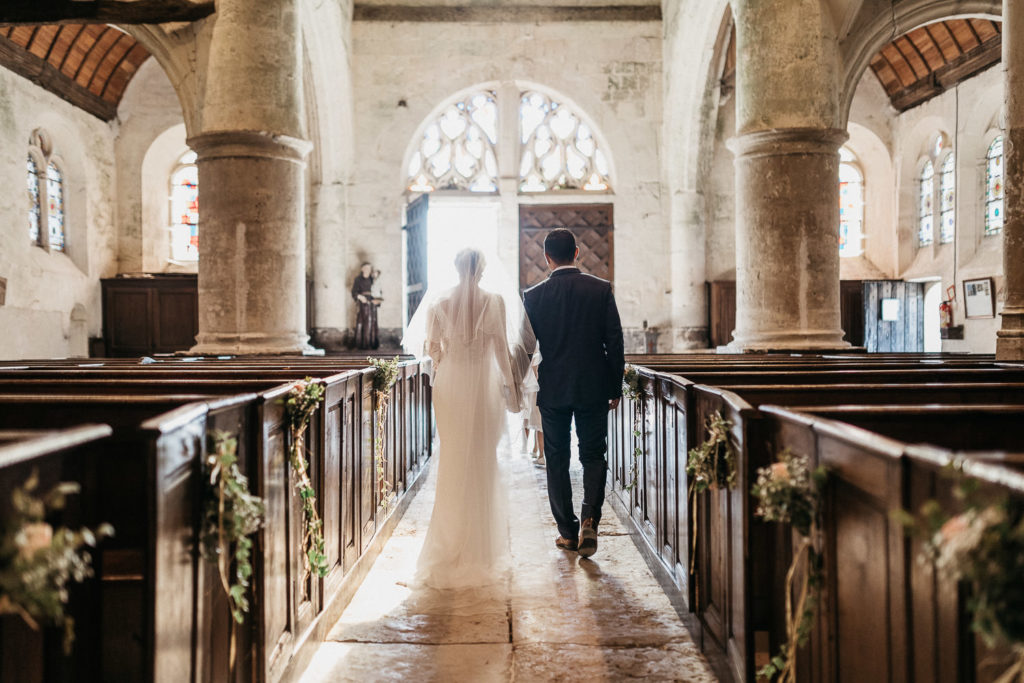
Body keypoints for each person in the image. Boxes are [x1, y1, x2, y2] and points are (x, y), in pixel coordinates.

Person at [402, 248, 535, 588]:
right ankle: (481, 549)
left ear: (456, 267)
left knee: (453, 459)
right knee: (481, 459)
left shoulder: (438, 304)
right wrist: (511, 387)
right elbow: (502, 351)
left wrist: (449, 357)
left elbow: (432, 350)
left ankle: (447, 544)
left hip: (451, 384)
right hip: (482, 384)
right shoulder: (494, 301)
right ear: (482, 270)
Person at [523, 228, 624, 558]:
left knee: (556, 459)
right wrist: (614, 387)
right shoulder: (600, 289)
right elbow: (615, 341)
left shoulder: (534, 296)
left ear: (546, 258)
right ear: (577, 252)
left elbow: (526, 347)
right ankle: (590, 520)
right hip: (593, 385)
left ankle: (567, 531)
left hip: (553, 388)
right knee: (593, 455)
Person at [352, 262, 381, 349]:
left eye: (369, 268)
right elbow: (354, 292)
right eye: (366, 268)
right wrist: (360, 297)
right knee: (362, 323)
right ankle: (361, 345)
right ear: (362, 269)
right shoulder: (358, 279)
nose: (368, 270)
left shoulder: (373, 280)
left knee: (373, 323)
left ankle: (372, 344)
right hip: (362, 305)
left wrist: (377, 300)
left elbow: (378, 291)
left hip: (372, 305)